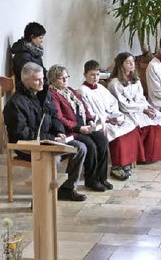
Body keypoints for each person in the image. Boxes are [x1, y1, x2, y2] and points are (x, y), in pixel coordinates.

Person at [3, 62, 88, 201]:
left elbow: (54, 116)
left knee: (81, 148)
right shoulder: (15, 103)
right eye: (37, 80)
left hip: (49, 141)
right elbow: (21, 133)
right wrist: (50, 138)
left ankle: (67, 189)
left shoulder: (45, 94)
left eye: (43, 78)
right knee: (53, 157)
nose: (42, 82)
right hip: (27, 145)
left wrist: (60, 131)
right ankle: (42, 199)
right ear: (25, 81)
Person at [48, 65, 112, 192]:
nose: (66, 80)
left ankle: (102, 177)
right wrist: (79, 128)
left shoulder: (70, 90)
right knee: (90, 145)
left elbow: (84, 107)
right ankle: (91, 180)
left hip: (84, 126)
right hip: (71, 131)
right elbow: (59, 118)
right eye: (62, 78)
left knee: (102, 140)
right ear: (53, 80)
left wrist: (89, 120)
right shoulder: (52, 94)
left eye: (67, 77)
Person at [77, 60, 144, 181]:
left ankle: (126, 162)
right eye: (92, 75)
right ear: (85, 74)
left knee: (131, 126)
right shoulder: (82, 91)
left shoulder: (101, 88)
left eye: (97, 74)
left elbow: (113, 102)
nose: (95, 78)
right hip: (98, 123)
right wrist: (107, 119)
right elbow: (88, 113)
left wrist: (115, 115)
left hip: (110, 117)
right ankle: (117, 166)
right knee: (116, 133)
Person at [108, 52, 161, 163]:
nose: (132, 64)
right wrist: (143, 110)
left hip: (142, 107)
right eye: (128, 62)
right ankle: (145, 157)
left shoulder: (136, 80)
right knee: (148, 126)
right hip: (128, 111)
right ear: (121, 64)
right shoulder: (115, 83)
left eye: (133, 62)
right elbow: (124, 104)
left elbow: (141, 97)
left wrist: (148, 107)